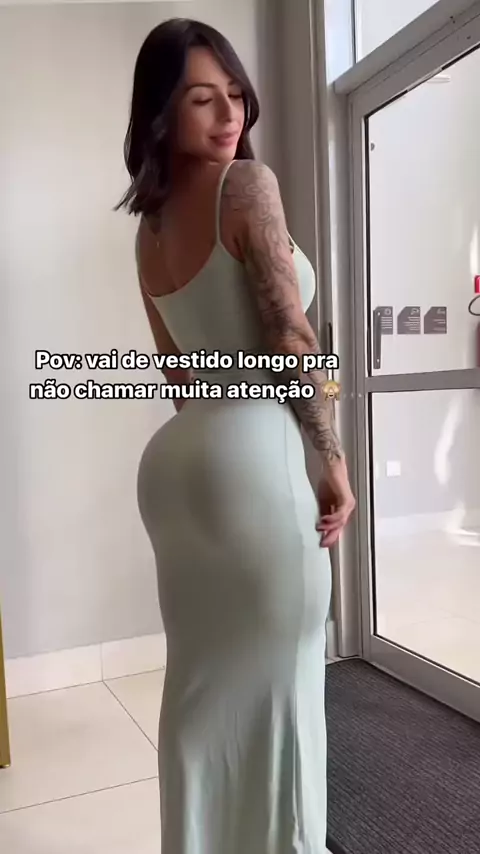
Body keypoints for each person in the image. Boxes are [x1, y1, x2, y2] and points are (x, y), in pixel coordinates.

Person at [115, 17, 355, 854]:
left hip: (178, 467)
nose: (230, 116)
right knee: (282, 684)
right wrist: (331, 457)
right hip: (254, 456)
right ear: (160, 113)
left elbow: (180, 377)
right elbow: (293, 337)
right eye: (200, 99)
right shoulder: (247, 186)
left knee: (201, 688)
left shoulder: (148, 229)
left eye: (235, 95)